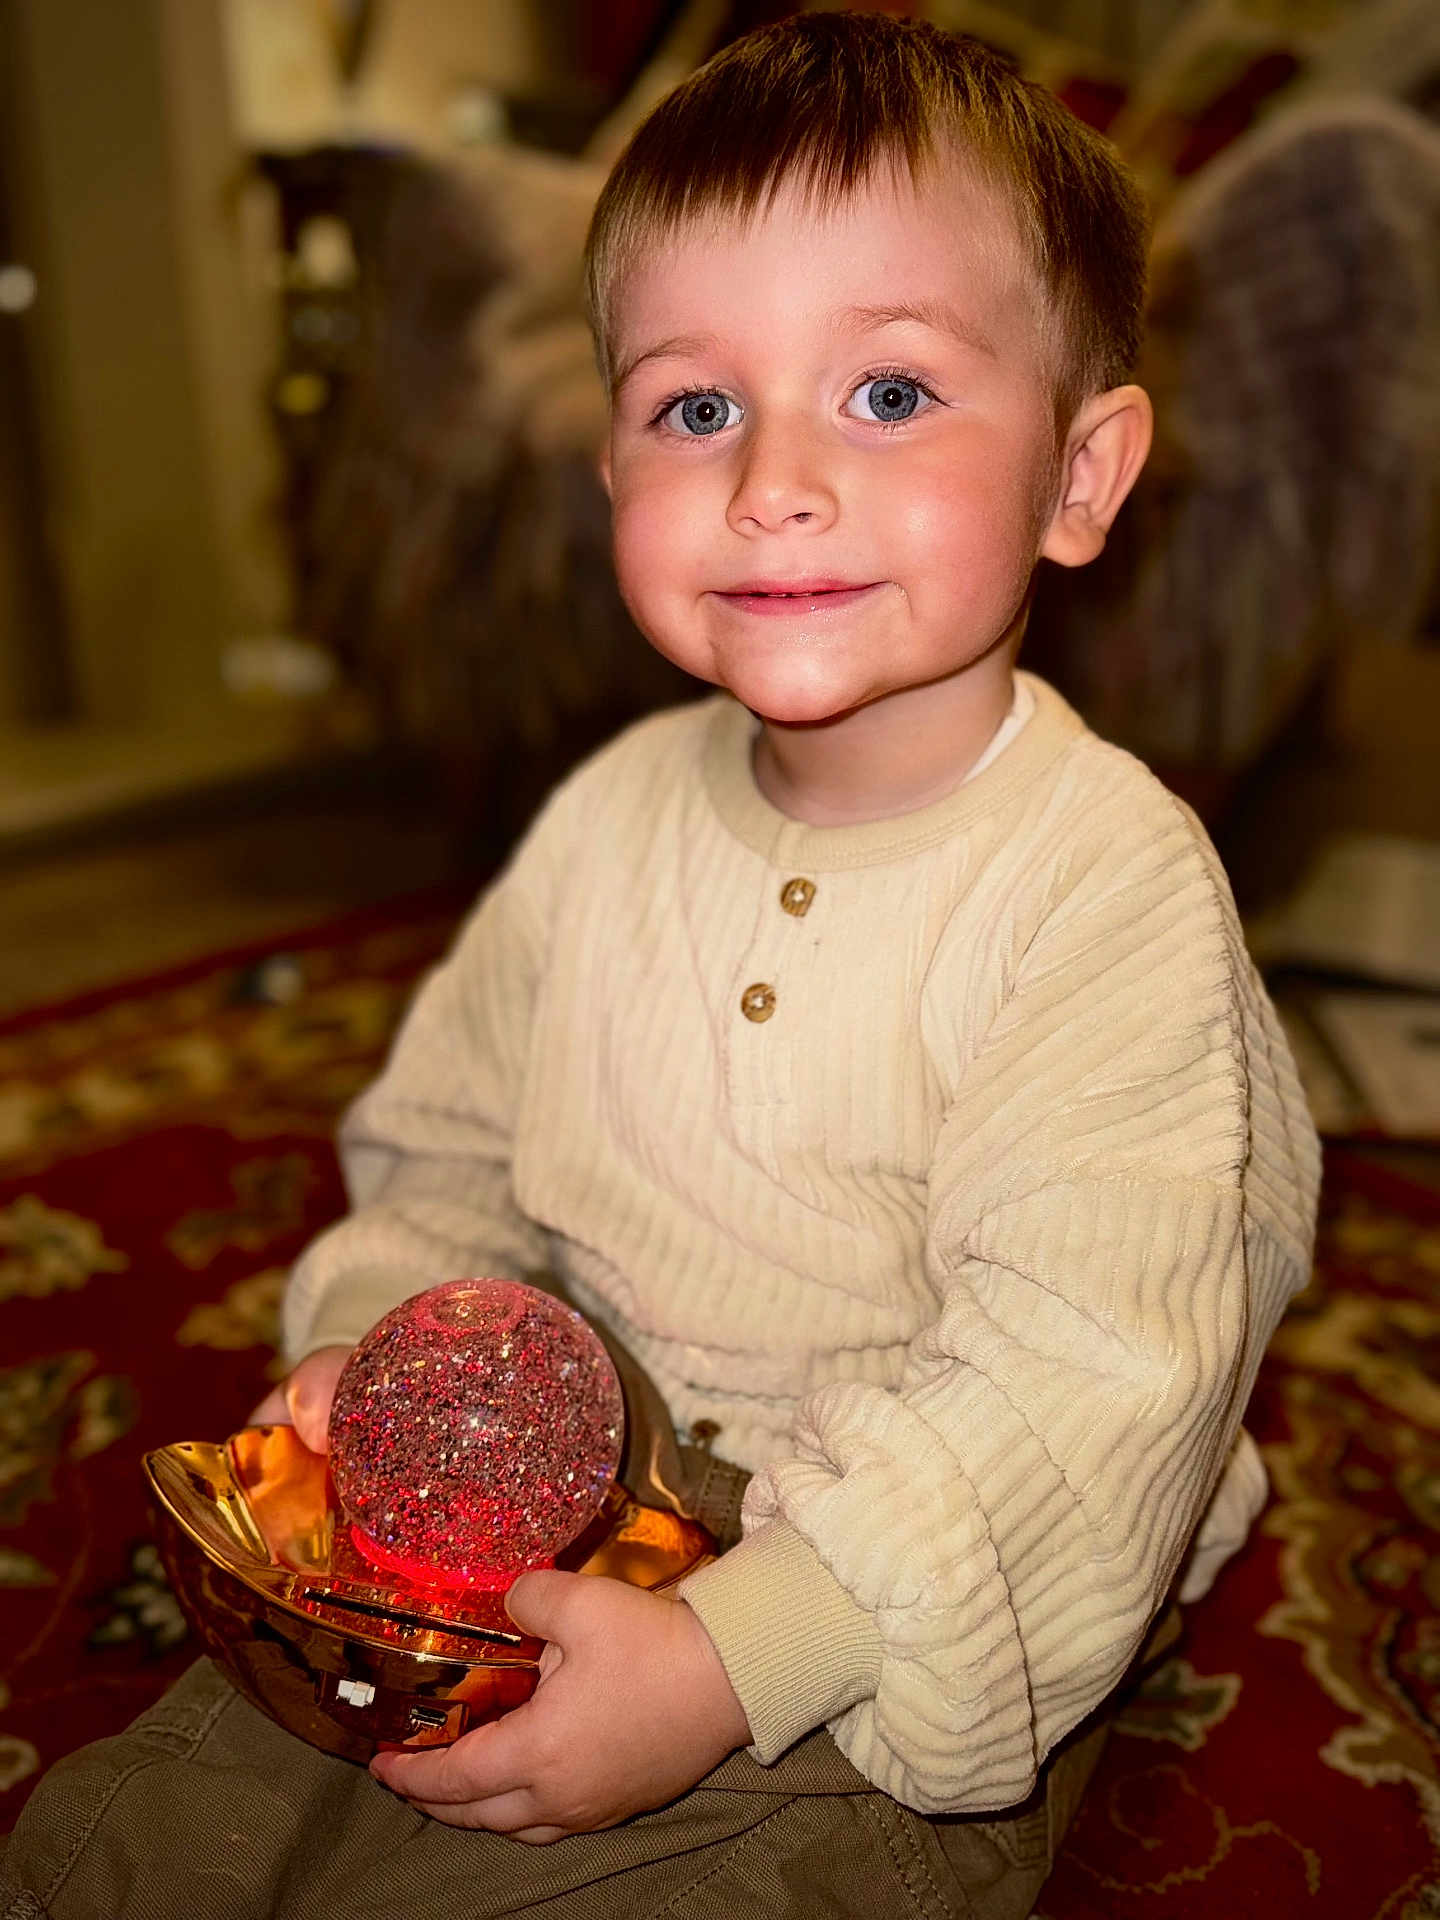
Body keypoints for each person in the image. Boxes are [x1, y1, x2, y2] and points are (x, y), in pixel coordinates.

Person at [1, 14, 1319, 1918]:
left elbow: (1087, 1385)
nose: (773, 480)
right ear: (610, 452)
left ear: (1081, 474)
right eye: (698, 408)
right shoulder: (611, 812)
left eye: (887, 395)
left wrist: (737, 1657)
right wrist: (378, 1344)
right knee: (153, 1827)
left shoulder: (1108, 890)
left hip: (884, 1602)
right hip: (546, 1504)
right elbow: (447, 1148)